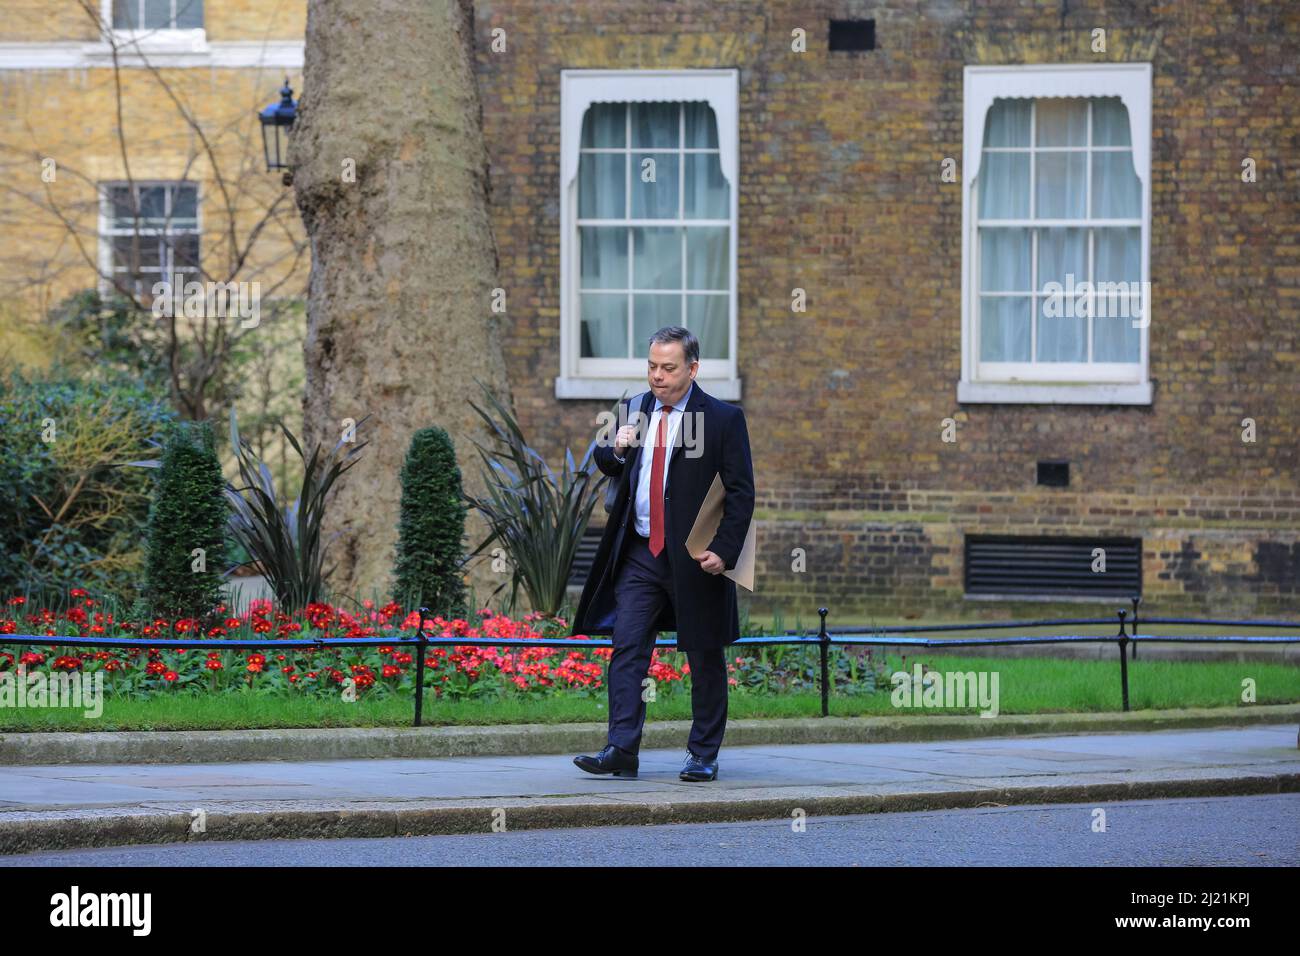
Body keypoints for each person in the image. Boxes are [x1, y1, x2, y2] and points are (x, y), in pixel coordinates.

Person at [570, 326, 754, 781]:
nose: (657, 376)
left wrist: (724, 551)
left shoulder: (723, 420)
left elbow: (741, 492)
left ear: (692, 369)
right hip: (640, 553)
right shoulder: (633, 409)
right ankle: (621, 748)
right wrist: (615, 447)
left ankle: (703, 754)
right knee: (627, 645)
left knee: (704, 652)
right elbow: (607, 462)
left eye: (668, 368)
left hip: (694, 557)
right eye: (652, 366)